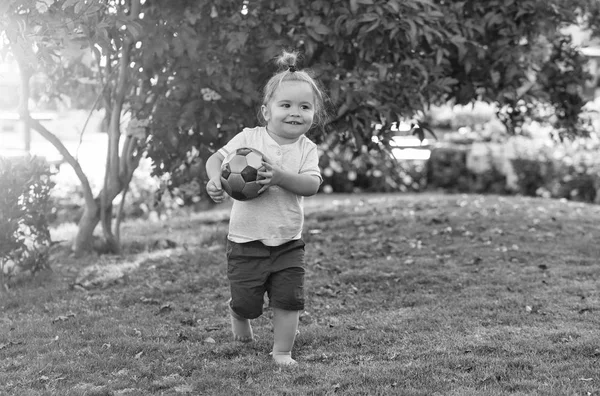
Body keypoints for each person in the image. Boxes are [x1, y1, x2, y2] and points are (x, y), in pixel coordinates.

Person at [204, 50, 327, 366]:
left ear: (315, 113)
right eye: (285, 105)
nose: (294, 112)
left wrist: (281, 177)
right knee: (248, 301)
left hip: (288, 242)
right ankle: (238, 311)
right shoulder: (250, 138)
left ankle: (282, 352)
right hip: (246, 241)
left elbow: (311, 185)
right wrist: (215, 179)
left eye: (304, 106)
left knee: (289, 299)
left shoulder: (306, 149)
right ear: (266, 111)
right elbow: (215, 159)